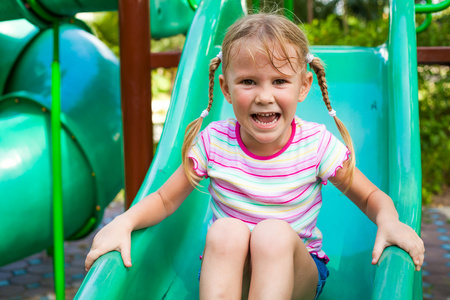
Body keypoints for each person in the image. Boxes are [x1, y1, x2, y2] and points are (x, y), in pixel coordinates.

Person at [85, 12, 425, 300]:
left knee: (272, 234)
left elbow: (370, 196)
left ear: (303, 86)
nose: (265, 97)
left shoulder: (315, 144)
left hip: (296, 274)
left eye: (279, 81)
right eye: (249, 81)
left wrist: (390, 221)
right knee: (225, 232)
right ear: (226, 90)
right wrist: (123, 222)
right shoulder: (214, 143)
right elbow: (162, 199)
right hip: (232, 273)